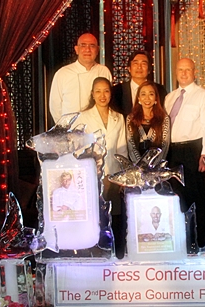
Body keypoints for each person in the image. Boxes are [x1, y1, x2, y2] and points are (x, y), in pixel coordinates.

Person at [165, 58, 205, 247]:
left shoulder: (204, 96)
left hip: (193, 150)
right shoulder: (169, 97)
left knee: (197, 197)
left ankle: (201, 243)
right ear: (176, 72)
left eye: (188, 69)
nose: (184, 73)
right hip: (172, 152)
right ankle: (181, 243)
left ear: (195, 72)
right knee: (176, 198)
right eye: (180, 69)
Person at [74, 77, 127, 257]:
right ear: (92, 94)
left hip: (113, 174)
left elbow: (122, 148)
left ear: (110, 93)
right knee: (95, 216)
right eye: (98, 91)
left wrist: (122, 175)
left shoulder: (118, 117)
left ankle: (117, 253)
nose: (102, 95)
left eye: (106, 91)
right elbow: (77, 148)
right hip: (92, 174)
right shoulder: (83, 117)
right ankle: (94, 253)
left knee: (115, 215)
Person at [49, 33, 112, 123]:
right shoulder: (63, 73)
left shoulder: (104, 71)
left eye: (92, 46)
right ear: (76, 49)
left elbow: (109, 101)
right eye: (83, 45)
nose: (87, 50)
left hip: (98, 127)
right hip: (71, 130)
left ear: (97, 50)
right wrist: (64, 129)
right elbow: (55, 106)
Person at [126, 80, 170, 164]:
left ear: (156, 98)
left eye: (151, 94)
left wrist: (152, 167)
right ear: (138, 98)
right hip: (137, 169)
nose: (147, 98)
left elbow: (164, 146)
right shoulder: (130, 118)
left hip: (156, 168)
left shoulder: (164, 119)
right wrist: (141, 166)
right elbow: (131, 146)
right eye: (143, 94)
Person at [112, 50, 167, 117]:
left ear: (149, 70)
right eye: (136, 63)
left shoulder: (160, 90)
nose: (139, 67)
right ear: (129, 68)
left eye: (143, 64)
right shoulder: (116, 91)